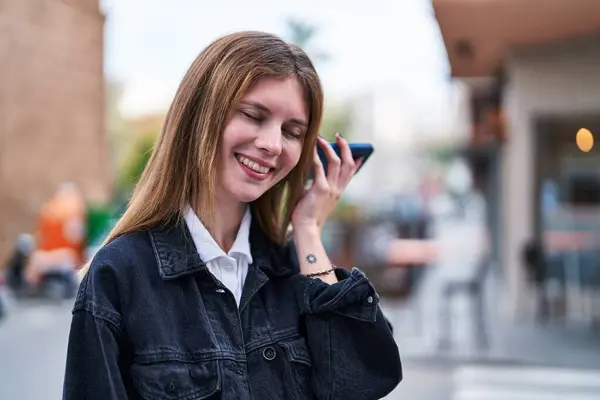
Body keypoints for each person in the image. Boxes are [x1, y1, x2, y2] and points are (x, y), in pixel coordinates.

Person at [62, 31, 402, 400]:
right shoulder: (121, 273)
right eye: (254, 115)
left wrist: (307, 229)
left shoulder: (293, 267)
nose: (272, 144)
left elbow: (361, 385)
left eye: (292, 132)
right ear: (199, 116)